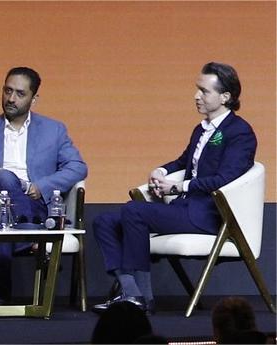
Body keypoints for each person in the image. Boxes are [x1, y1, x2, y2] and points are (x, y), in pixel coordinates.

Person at [92, 62, 257, 314]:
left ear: (226, 97)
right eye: (196, 89)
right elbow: (183, 162)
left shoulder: (240, 133)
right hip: (185, 209)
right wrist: (161, 171)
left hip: (209, 215)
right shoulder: (200, 129)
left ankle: (143, 298)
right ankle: (131, 292)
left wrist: (178, 187)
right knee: (103, 221)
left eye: (204, 91)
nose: (196, 96)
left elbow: (225, 178)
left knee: (134, 211)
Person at [0, 67, 87, 305]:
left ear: (34, 98)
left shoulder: (54, 130)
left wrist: (41, 186)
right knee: (3, 183)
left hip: (37, 203)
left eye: (20, 93)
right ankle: (29, 236)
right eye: (7, 91)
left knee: (1, 212)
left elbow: (78, 167)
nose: (11, 98)